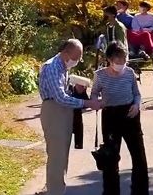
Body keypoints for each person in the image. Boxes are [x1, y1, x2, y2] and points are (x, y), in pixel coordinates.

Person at [38, 39, 104, 195]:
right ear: (66, 52)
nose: (77, 61)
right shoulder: (53, 67)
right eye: (76, 57)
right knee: (57, 156)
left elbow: (63, 91)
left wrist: (76, 89)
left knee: (61, 156)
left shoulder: (62, 67)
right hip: (54, 111)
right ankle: (54, 191)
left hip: (62, 111)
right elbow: (59, 97)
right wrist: (87, 103)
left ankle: (55, 189)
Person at [91, 42, 148, 195]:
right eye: (118, 60)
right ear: (109, 59)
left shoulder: (129, 73)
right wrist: (97, 101)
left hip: (130, 114)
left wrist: (137, 105)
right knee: (110, 158)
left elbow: (137, 94)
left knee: (139, 157)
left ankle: (140, 191)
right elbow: (94, 93)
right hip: (110, 115)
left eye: (124, 59)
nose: (121, 63)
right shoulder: (100, 75)